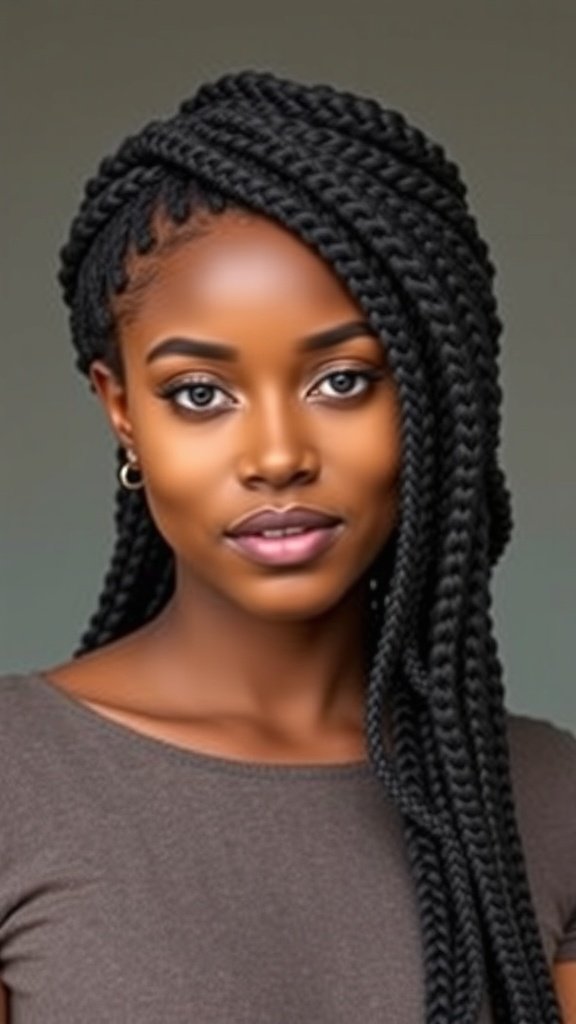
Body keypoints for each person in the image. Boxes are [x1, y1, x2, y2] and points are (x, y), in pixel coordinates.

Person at [0, 68, 574, 1024]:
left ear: (433, 395)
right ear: (122, 412)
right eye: (198, 394)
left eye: (343, 382)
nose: (276, 456)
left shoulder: (547, 801)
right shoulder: (15, 780)